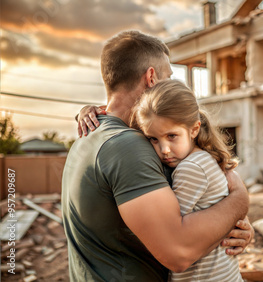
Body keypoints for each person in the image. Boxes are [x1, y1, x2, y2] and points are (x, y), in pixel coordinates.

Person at [62, 30, 252, 281]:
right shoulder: (127, 146)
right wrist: (240, 199)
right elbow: (180, 253)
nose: (172, 86)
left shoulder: (90, 135)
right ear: (151, 77)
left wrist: (233, 225)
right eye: (169, 77)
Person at [127, 79, 243, 281]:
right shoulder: (204, 158)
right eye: (153, 139)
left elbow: (169, 233)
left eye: (172, 136)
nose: (164, 150)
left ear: (194, 129)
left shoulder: (191, 168)